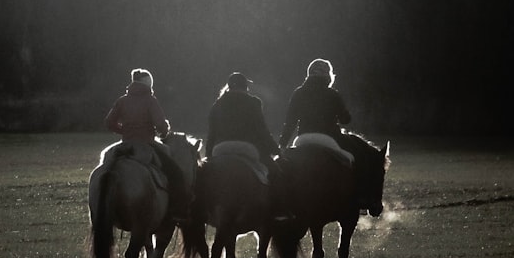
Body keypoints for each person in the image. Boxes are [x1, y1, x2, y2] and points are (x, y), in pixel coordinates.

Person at [104, 68, 189, 221]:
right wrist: (164, 132)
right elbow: (161, 125)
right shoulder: (150, 100)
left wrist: (124, 130)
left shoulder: (122, 100)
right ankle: (177, 210)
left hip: (126, 143)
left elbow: (109, 123)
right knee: (175, 171)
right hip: (147, 144)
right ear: (148, 83)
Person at [207, 72, 291, 220]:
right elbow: (262, 130)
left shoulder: (217, 104)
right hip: (247, 148)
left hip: (220, 148)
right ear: (245, 86)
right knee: (276, 173)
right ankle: (280, 210)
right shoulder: (254, 102)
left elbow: (212, 133)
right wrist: (275, 150)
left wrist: (208, 156)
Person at [279, 58, 352, 150]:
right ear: (328, 76)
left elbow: (290, 122)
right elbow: (345, 120)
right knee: (353, 157)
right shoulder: (333, 94)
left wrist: (283, 144)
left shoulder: (298, 93)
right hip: (330, 138)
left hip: (303, 137)